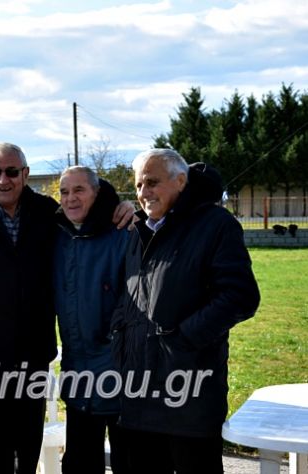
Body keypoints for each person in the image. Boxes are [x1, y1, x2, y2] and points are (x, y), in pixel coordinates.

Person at [0, 142, 134, 473]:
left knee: (27, 447)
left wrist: (121, 206)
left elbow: (87, 212)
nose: (3, 179)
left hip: (31, 351)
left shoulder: (47, 212)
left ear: (25, 174)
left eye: (11, 172)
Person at [111, 149, 260, 473]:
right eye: (138, 185)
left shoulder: (215, 224)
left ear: (180, 181)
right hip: (138, 392)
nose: (143, 193)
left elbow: (241, 295)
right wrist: (120, 337)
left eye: (152, 182)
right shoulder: (140, 229)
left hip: (189, 393)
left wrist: (181, 339)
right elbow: (133, 294)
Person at [53, 166, 130, 474]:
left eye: (79, 190)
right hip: (77, 375)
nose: (70, 198)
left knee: (131, 462)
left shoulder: (125, 232)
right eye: (64, 191)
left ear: (98, 194)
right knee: (80, 464)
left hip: (123, 378)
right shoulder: (54, 234)